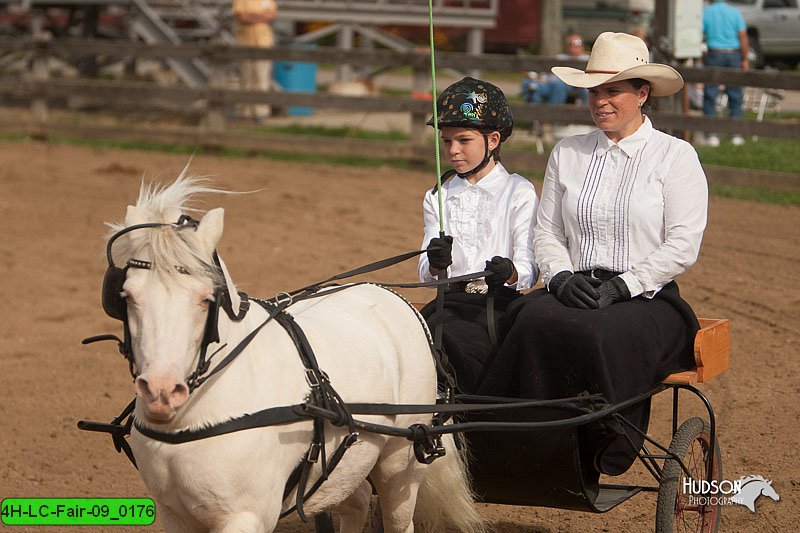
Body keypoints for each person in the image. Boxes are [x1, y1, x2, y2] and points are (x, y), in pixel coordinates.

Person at [478, 33, 709, 476]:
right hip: (575, 283)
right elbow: (547, 231)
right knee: (528, 319)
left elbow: (682, 245)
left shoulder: (676, 157)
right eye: (594, 92)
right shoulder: (569, 153)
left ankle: (606, 441)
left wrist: (625, 284)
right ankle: (519, 441)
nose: (600, 102)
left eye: (612, 91)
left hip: (648, 297)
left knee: (601, 333)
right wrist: (561, 276)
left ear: (642, 94)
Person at [419, 77, 539, 395]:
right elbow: (426, 274)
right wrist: (434, 262)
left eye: (463, 140)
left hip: (498, 306)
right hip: (448, 303)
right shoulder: (438, 196)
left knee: (455, 342)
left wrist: (510, 272)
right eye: (446, 142)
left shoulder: (519, 191)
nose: (453, 151)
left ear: (493, 139)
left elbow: (529, 270)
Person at [702, 0, 749, 147]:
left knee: (711, 93)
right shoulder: (734, 12)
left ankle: (711, 134)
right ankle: (736, 133)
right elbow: (742, 35)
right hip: (733, 54)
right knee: (735, 94)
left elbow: (700, 32)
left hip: (714, 53)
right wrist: (745, 57)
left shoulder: (707, 11)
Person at [232, 0, 278, 122]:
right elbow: (241, 17)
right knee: (246, 79)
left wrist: (252, 17)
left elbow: (272, 15)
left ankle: (260, 112)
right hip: (245, 42)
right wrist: (262, 17)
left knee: (262, 78)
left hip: (263, 43)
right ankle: (244, 111)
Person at [527, 33, 590, 106]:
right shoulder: (559, 58)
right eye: (572, 43)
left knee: (560, 85)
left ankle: (584, 115)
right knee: (530, 83)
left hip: (580, 86)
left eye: (579, 43)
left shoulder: (587, 59)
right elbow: (546, 74)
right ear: (566, 45)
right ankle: (535, 113)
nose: (576, 46)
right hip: (555, 84)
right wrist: (541, 79)